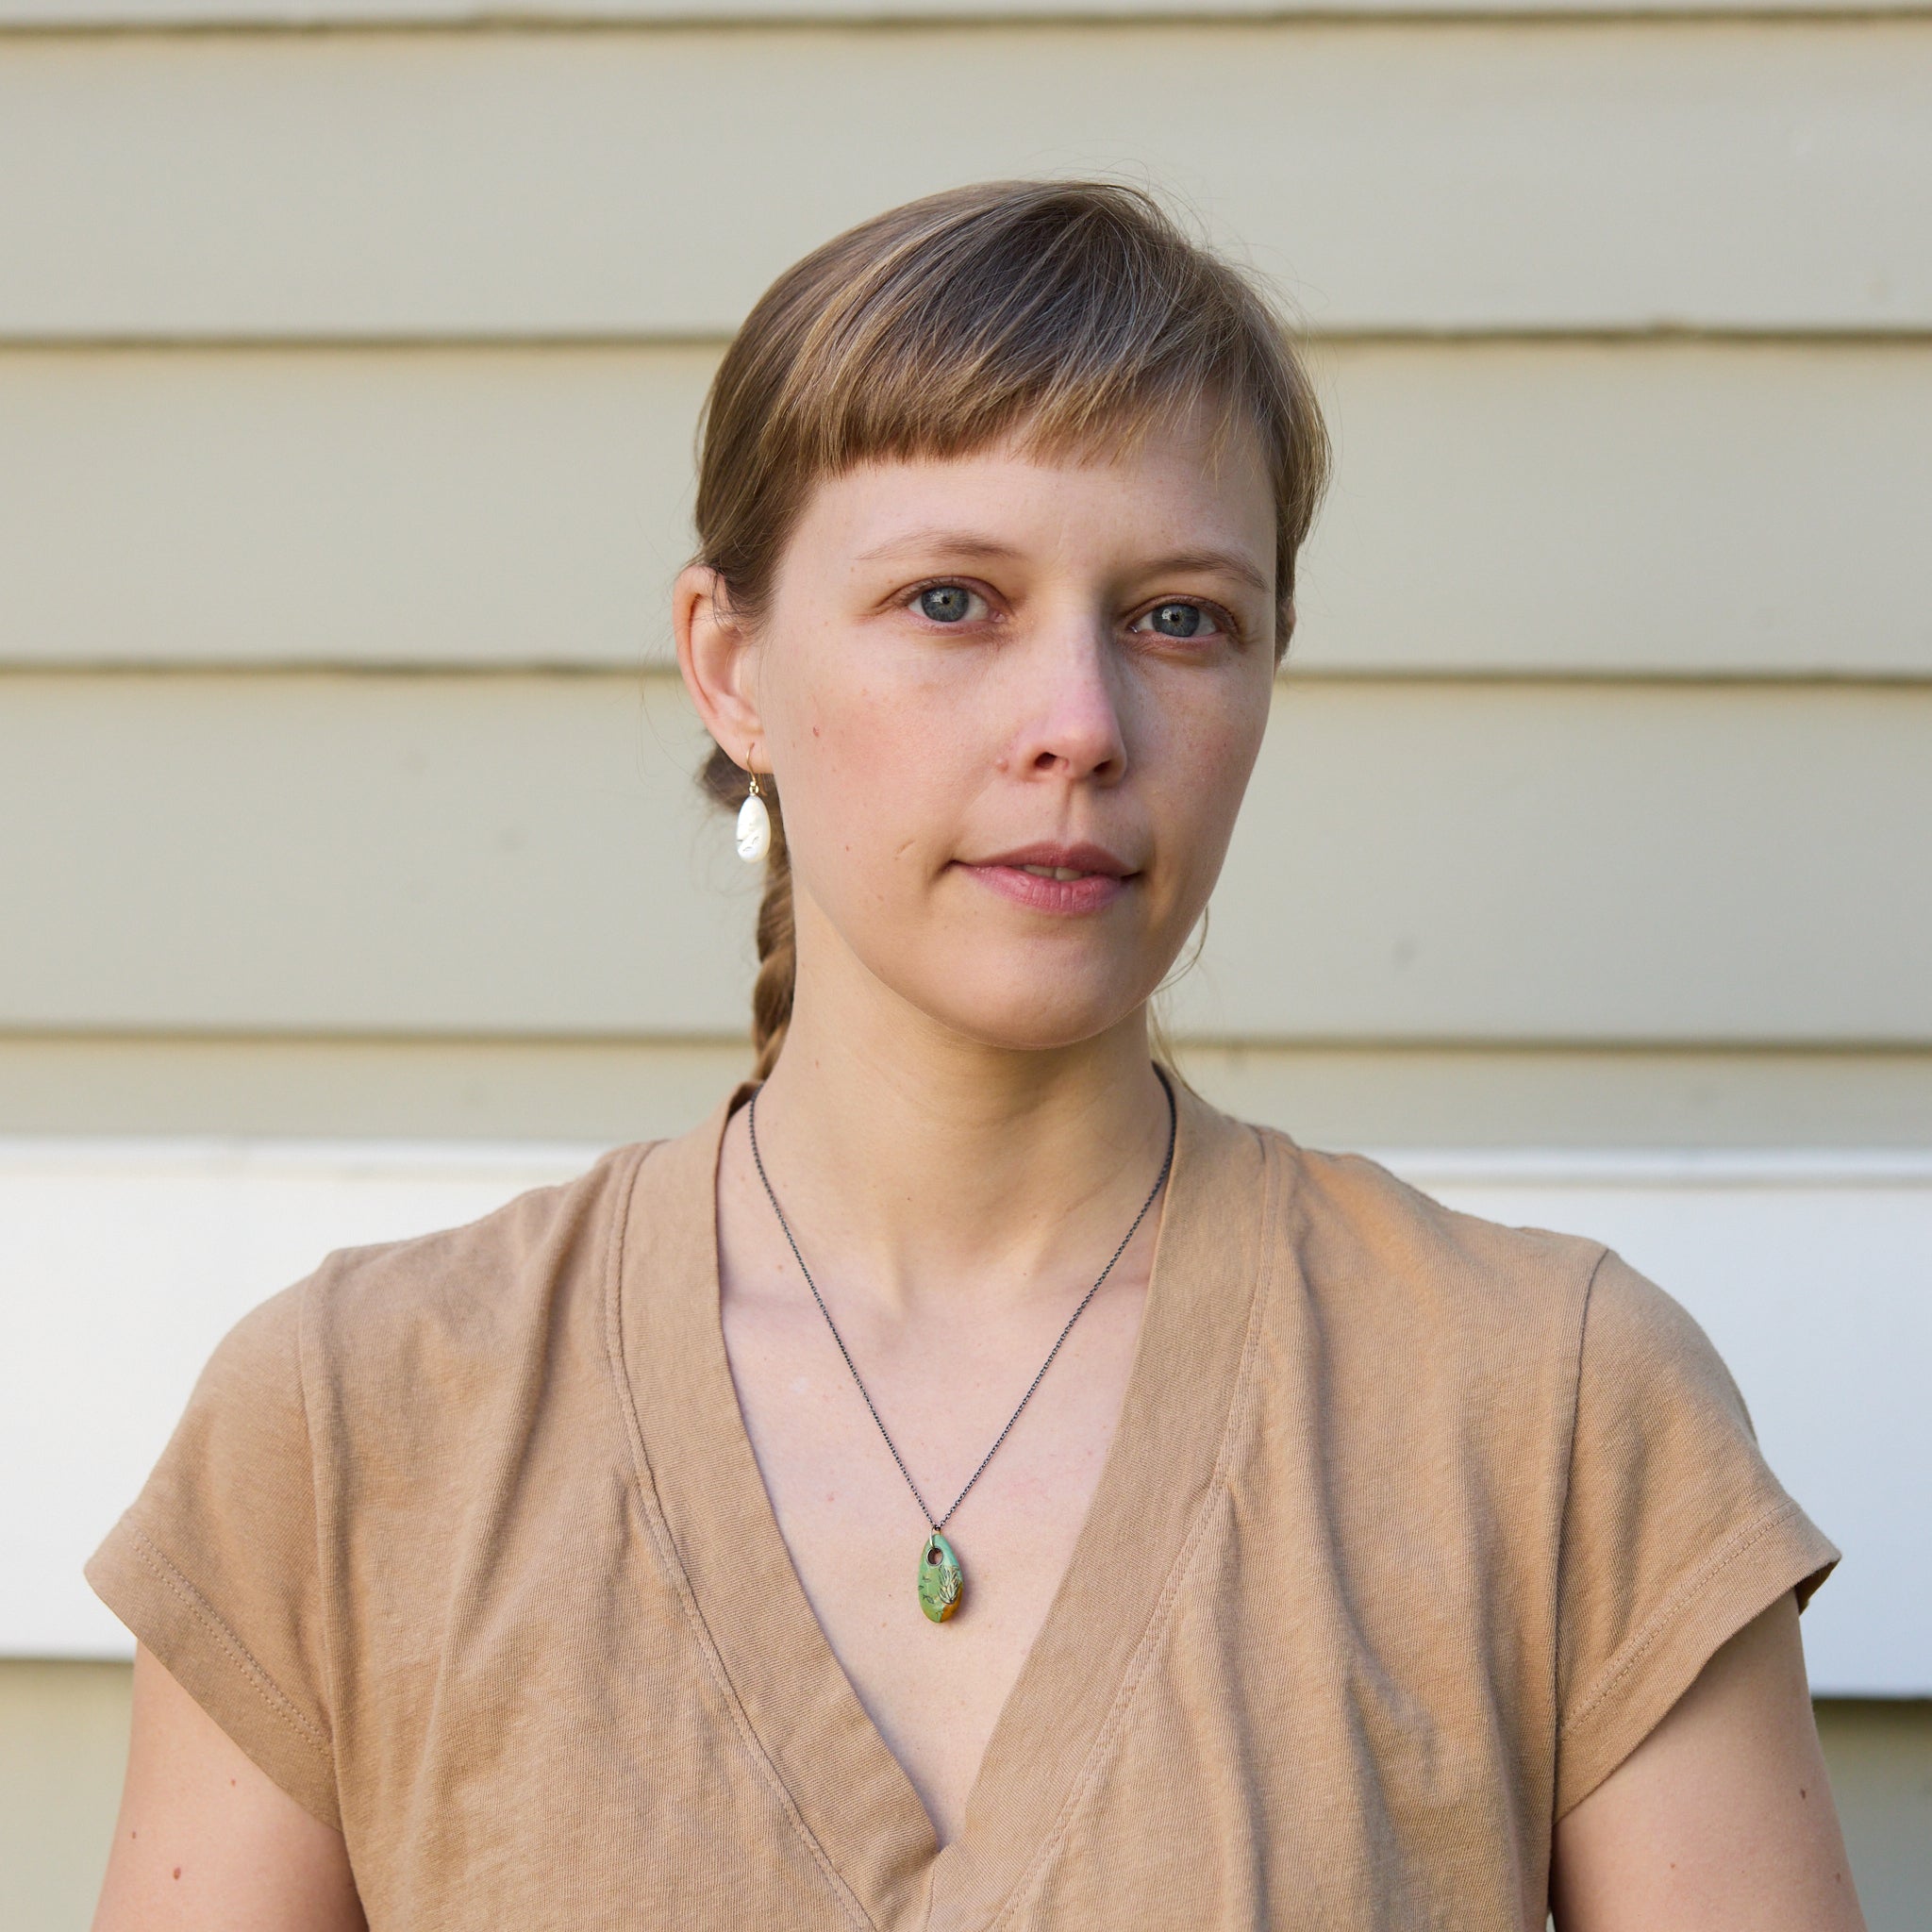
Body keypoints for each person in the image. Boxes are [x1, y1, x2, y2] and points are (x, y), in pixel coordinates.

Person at [87, 180, 1863, 1931]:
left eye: (1181, 617)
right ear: (731, 667)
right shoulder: (357, 1427)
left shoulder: (1548, 1412)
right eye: (953, 601)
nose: (1080, 726)